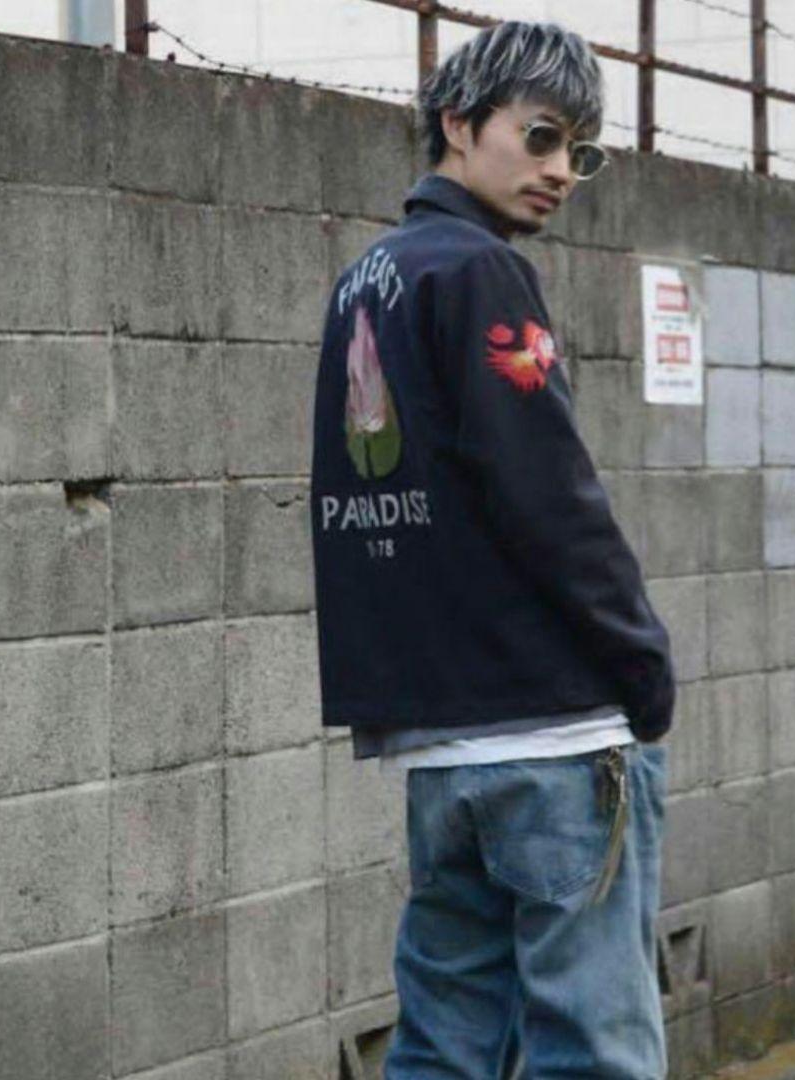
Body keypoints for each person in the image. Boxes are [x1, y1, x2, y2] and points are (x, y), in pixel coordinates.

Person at [310, 20, 676, 1079]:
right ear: (460, 125)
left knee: (444, 1043)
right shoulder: (480, 271)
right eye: (541, 136)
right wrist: (642, 660)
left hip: (440, 741)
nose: (560, 170)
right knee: (594, 1046)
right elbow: (546, 490)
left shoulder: (368, 278)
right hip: (550, 732)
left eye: (580, 152)